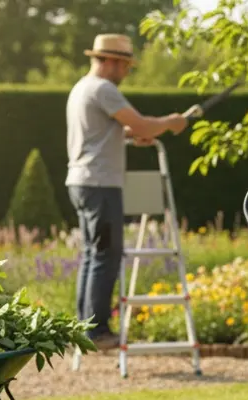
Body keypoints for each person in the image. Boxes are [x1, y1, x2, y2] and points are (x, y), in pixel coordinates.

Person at [65, 33, 189, 349]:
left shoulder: (81, 88)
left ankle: (84, 327)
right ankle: (96, 331)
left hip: (82, 181)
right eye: (125, 66)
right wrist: (171, 122)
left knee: (93, 255)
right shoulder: (103, 89)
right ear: (110, 62)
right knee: (105, 255)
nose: (126, 73)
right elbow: (143, 125)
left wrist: (134, 135)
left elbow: (114, 131)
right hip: (101, 183)